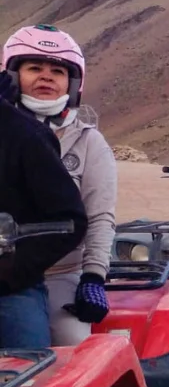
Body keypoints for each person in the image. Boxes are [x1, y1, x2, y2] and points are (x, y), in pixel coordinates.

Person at [5, 26, 116, 345]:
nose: (46, 77)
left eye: (57, 70)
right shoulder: (5, 135)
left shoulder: (89, 143)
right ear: (12, 74)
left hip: (61, 274)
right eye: (34, 68)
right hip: (6, 274)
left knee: (71, 346)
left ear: (73, 82)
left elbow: (99, 217)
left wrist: (93, 277)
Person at [0, 68, 87, 349]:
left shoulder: (25, 135)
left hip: (10, 290)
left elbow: (70, 221)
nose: (45, 76)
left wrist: (10, 271)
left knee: (31, 378)